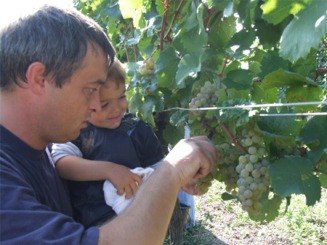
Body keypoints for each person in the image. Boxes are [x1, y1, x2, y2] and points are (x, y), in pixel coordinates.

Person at [0, 4, 219, 245]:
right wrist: (172, 171)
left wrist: (160, 182)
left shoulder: (38, 147)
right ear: (39, 79)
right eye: (90, 90)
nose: (96, 106)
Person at [51, 59, 165, 227]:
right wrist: (110, 170)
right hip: (92, 229)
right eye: (104, 104)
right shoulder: (78, 131)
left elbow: (159, 169)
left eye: (122, 97)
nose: (117, 108)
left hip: (137, 222)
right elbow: (61, 163)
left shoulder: (137, 129)